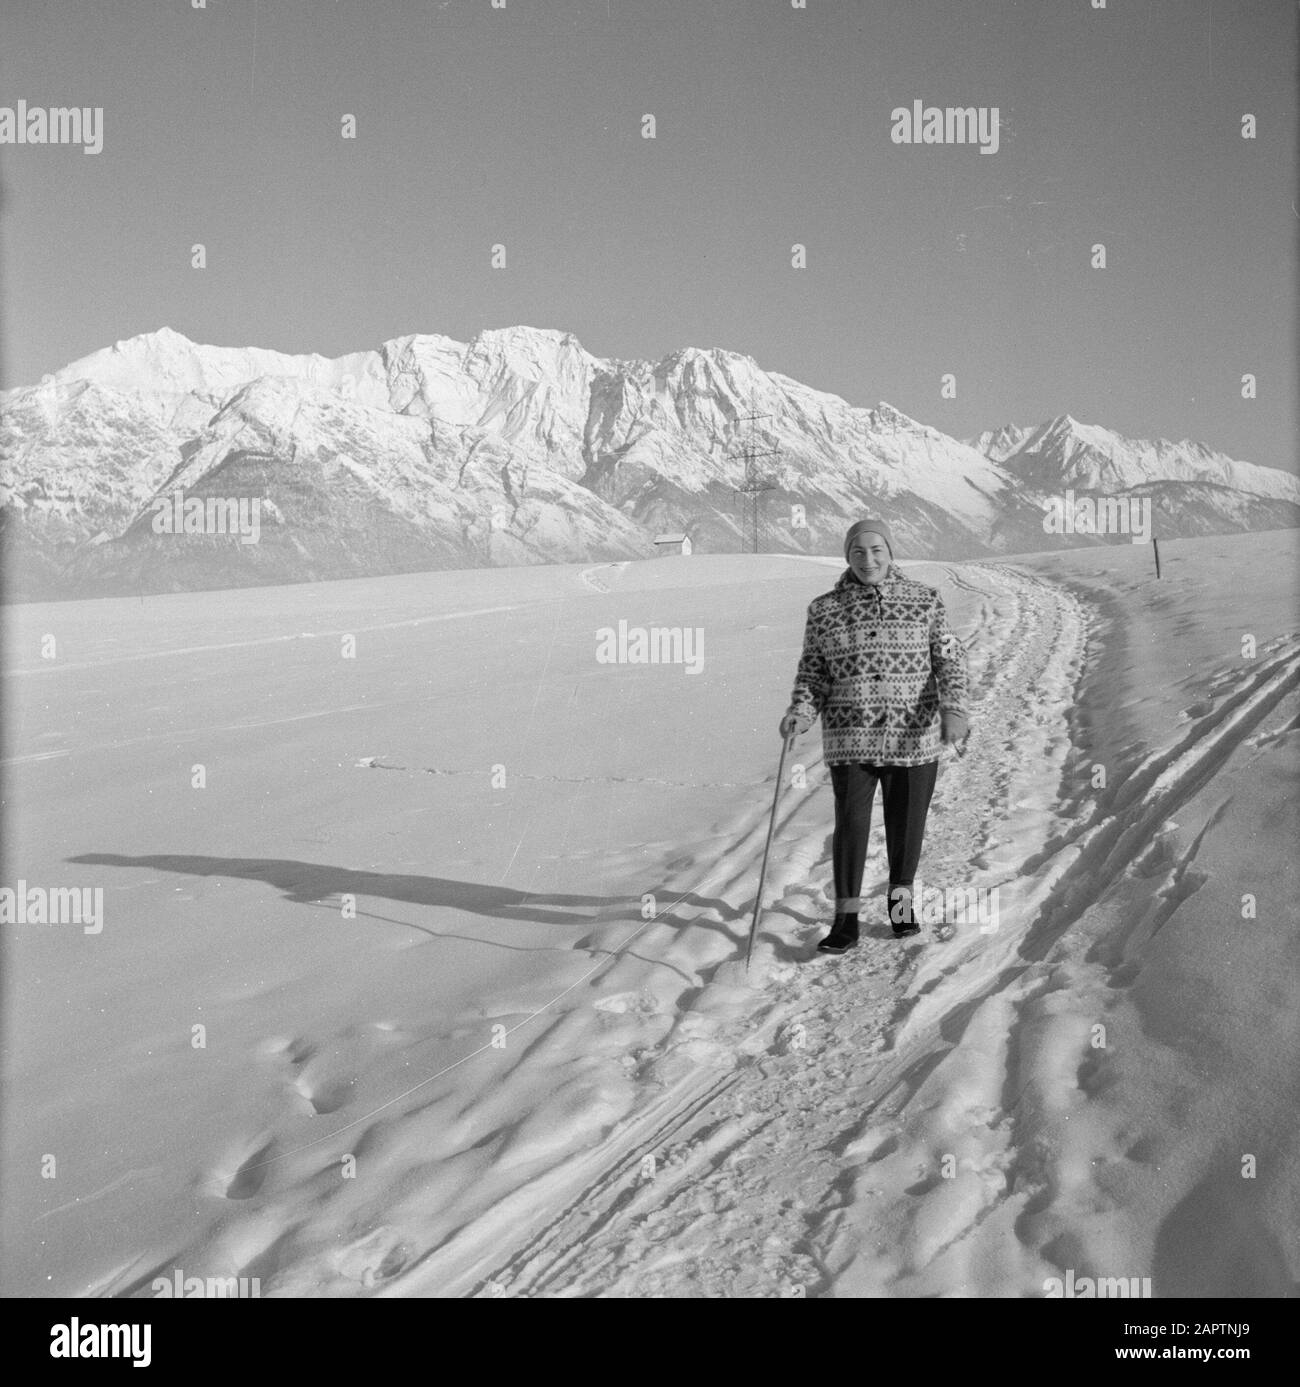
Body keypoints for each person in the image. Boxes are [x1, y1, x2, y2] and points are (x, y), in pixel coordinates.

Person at [779, 519, 970, 952]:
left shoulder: (924, 601)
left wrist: (954, 709)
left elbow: (950, 660)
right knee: (851, 825)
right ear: (847, 556)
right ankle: (845, 921)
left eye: (877, 550)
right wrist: (801, 711)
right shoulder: (825, 610)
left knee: (906, 826)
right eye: (858, 552)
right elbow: (814, 672)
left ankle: (900, 908)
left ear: (890, 552)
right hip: (850, 736)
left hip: (913, 735)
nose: (869, 560)